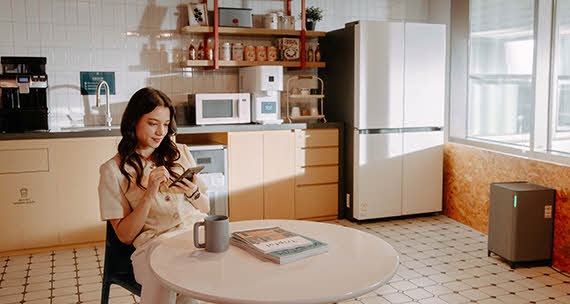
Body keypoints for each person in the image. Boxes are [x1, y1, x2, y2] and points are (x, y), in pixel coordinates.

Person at [98, 87, 209, 304]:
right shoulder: (112, 170)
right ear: (134, 122)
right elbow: (125, 236)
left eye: (166, 124)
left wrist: (192, 192)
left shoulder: (181, 152)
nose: (161, 132)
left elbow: (205, 208)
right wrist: (149, 194)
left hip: (194, 238)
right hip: (154, 249)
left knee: (219, 269)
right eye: (153, 123)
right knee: (181, 280)